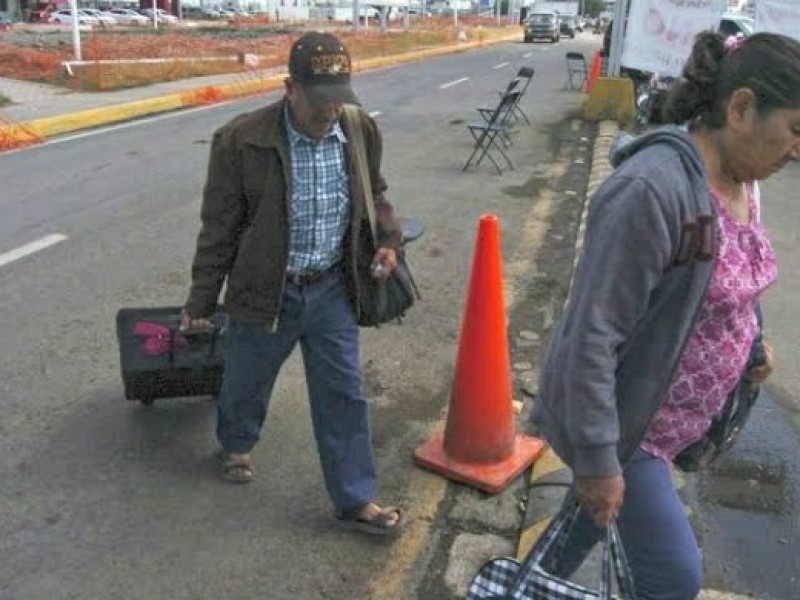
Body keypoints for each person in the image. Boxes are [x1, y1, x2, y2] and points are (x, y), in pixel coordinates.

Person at [531, 31, 800, 599]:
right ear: (742, 107)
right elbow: (590, 337)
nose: (798, 150)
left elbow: (726, 287)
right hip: (633, 432)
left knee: (587, 525)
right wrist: (601, 463)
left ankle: (525, 587)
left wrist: (749, 346)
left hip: (676, 419)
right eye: (795, 131)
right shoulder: (652, 191)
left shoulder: (745, 182)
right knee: (674, 577)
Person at [181, 31, 405, 536]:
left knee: (344, 392)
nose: (330, 111)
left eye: (338, 98)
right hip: (266, 288)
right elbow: (218, 228)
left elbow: (377, 192)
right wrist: (200, 301)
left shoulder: (358, 129)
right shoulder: (241, 140)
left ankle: (355, 498)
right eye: (319, 100)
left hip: (331, 287)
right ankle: (237, 441)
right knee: (246, 379)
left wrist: (389, 242)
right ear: (290, 88)